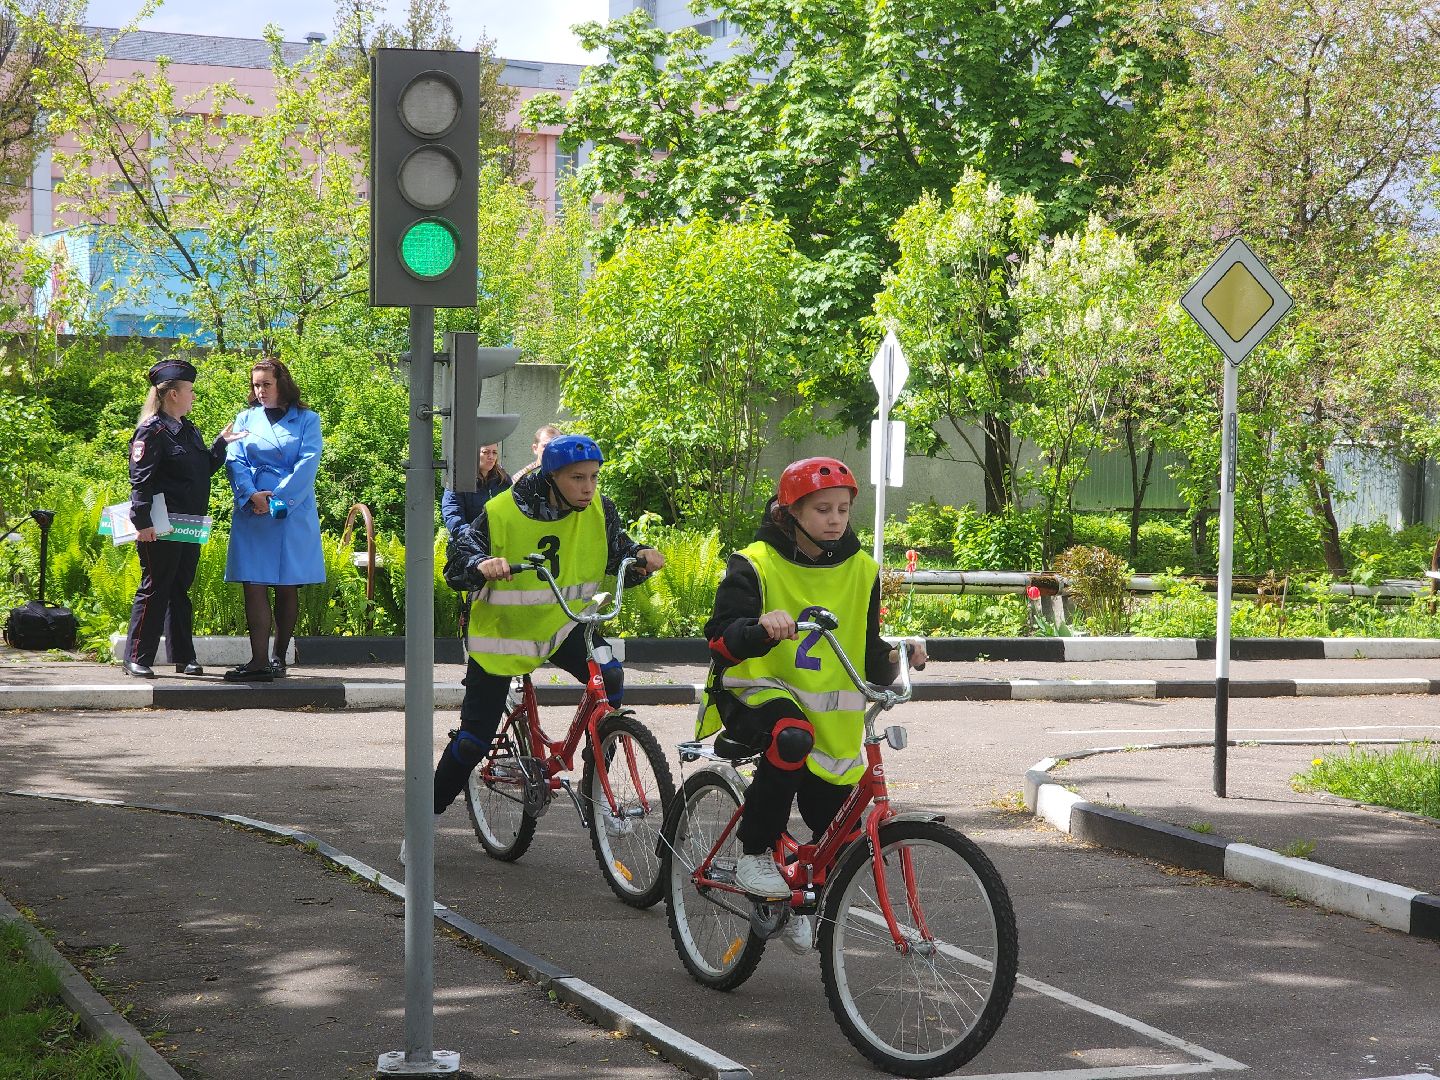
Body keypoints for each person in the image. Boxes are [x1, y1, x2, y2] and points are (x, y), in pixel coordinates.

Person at [408, 435, 665, 864]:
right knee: (474, 741)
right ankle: (420, 824)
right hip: (502, 635)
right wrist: (479, 565)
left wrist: (638, 555)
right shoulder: (501, 511)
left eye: (594, 478)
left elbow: (615, 550)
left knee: (611, 678)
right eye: (577, 478)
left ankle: (595, 781)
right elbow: (458, 562)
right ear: (551, 477)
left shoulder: (599, 508)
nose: (588, 487)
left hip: (564, 626)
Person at [698, 456, 928, 929]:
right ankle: (755, 852)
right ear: (791, 513)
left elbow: (864, 655)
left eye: (842, 509)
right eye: (822, 509)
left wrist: (897, 656)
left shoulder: (863, 570)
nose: (835, 519)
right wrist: (759, 628)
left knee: (837, 839)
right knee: (791, 735)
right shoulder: (754, 563)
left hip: (832, 719)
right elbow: (719, 637)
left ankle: (799, 897)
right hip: (754, 691)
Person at [122, 358, 244, 678]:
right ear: (172, 394)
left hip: (189, 522)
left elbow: (201, 472)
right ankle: (137, 656)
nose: (193, 395)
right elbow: (141, 479)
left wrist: (220, 446)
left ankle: (183, 656)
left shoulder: (189, 430)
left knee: (179, 588)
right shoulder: (151, 431)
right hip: (160, 525)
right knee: (155, 587)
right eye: (189, 390)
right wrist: (142, 522)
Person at [223, 358, 325, 682]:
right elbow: (234, 459)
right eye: (256, 385)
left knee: (286, 583)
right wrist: (252, 495)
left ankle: (279, 657)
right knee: (253, 584)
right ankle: (257, 660)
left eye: (266, 384)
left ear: (282, 383)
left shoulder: (307, 419)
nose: (260, 390)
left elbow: (308, 462)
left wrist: (276, 500)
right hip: (252, 508)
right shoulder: (245, 418)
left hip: (289, 510)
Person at [440, 443, 511, 538]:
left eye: (494, 452)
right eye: (486, 452)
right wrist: (473, 537)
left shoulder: (503, 480)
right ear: (473, 454)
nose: (491, 457)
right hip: (469, 546)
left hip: (500, 545)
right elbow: (453, 517)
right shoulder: (459, 481)